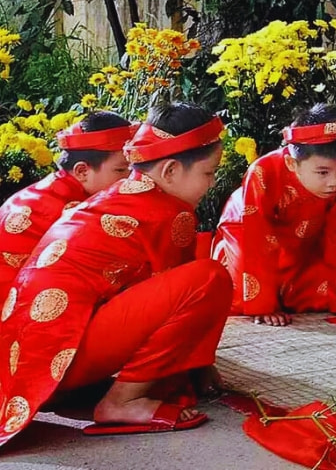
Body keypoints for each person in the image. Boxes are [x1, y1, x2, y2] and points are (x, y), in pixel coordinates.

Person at [0, 102, 232, 444]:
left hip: (34, 362)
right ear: (169, 171)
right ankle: (123, 401)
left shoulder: (120, 196)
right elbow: (182, 303)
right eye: (209, 173)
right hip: (56, 361)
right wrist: (194, 367)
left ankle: (111, 392)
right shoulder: (166, 212)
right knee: (209, 277)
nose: (212, 183)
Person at [212, 103, 336, 326]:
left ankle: (285, 291)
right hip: (246, 233)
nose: (335, 181)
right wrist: (264, 305)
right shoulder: (263, 171)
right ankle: (268, 296)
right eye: (322, 172)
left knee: (329, 292)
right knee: (239, 297)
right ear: (291, 163)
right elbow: (256, 238)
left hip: (302, 242)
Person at [0, 111, 135, 291]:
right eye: (121, 170)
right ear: (82, 171)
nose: (130, 178)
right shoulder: (69, 210)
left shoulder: (50, 190)